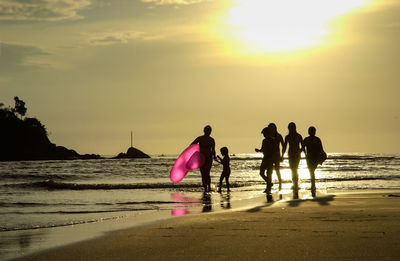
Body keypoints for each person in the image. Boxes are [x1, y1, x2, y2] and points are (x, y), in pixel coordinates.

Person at [191, 125, 216, 192]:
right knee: (203, 173)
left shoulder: (212, 140)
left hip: (209, 158)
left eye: (209, 131)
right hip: (200, 158)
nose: (208, 132)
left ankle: (209, 187)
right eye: (207, 130)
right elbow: (192, 145)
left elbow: (213, 150)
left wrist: (215, 157)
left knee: (207, 173)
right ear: (204, 131)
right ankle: (205, 188)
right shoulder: (200, 138)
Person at [282, 122, 303, 197]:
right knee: (292, 169)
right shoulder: (287, 137)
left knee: (295, 168)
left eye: (292, 127)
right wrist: (282, 155)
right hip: (290, 154)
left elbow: (303, 146)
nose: (291, 129)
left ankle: (296, 183)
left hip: (297, 155)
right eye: (290, 127)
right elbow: (285, 146)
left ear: (295, 128)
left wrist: (301, 151)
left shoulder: (299, 136)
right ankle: (294, 183)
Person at [303, 126, 325, 196]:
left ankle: (313, 185)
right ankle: (313, 185)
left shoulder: (317, 139)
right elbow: (303, 148)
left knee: (312, 171)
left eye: (313, 131)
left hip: (315, 157)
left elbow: (321, 148)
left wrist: (322, 156)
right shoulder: (306, 139)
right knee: (311, 171)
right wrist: (304, 154)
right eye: (311, 131)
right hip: (309, 157)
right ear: (309, 132)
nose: (312, 132)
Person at [255, 127, 274, 194]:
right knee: (262, 173)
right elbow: (263, 149)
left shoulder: (272, 140)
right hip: (265, 158)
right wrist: (259, 150)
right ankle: (269, 183)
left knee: (268, 173)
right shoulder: (264, 141)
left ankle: (268, 188)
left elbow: (273, 150)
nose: (264, 135)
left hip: (270, 158)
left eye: (264, 133)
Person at [268, 123, 284, 190]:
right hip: (270, 155)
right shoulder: (268, 136)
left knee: (277, 169)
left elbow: (283, 146)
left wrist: (282, 155)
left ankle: (280, 182)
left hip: (277, 155)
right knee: (270, 170)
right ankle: (269, 183)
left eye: (271, 128)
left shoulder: (279, 136)